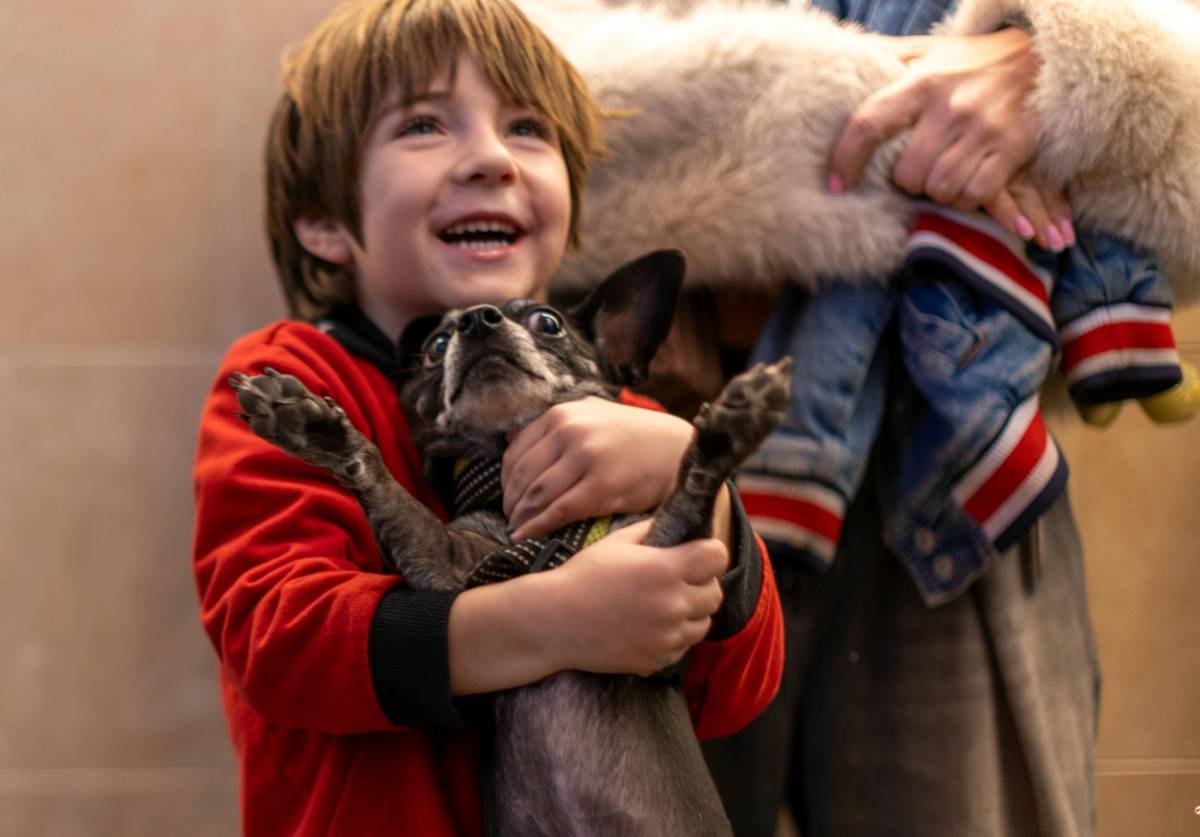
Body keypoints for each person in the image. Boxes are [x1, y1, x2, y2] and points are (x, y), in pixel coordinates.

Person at [509, 0, 1200, 834]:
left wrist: (1062, 69)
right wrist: (962, 107)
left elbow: (1183, 187)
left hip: (946, 479)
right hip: (643, 473)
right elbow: (514, 131)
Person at [190, 1, 785, 834]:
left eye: (528, 128)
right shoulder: (294, 382)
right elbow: (281, 642)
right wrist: (555, 619)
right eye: (426, 124)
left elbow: (734, 693)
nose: (492, 159)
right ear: (326, 223)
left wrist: (700, 486)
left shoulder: (623, 419)